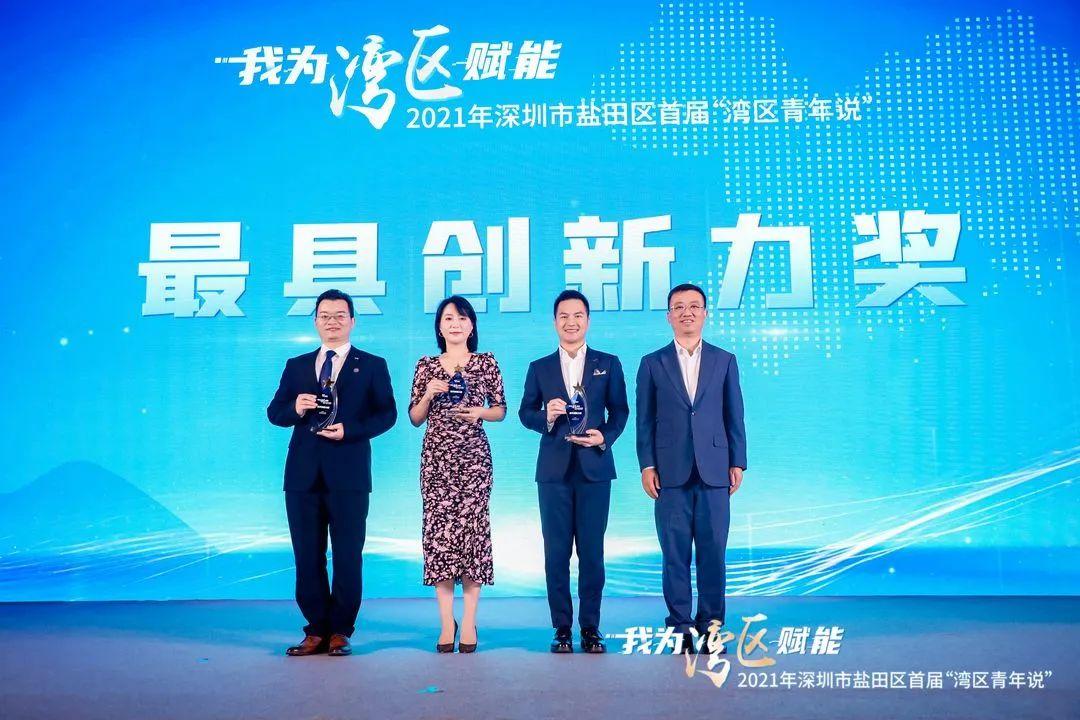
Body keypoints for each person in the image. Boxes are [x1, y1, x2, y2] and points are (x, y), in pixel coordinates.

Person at [266, 289, 397, 657]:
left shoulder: (372, 365)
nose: (332, 321)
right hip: (302, 476)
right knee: (307, 555)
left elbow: (387, 414)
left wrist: (349, 430)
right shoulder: (296, 365)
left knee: (347, 554)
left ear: (352, 321)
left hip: (349, 474)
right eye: (325, 315)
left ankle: (340, 630)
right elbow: (275, 413)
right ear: (315, 321)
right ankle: (315, 629)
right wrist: (295, 406)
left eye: (340, 315)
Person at [635, 283, 747, 654]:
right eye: (679, 307)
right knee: (675, 554)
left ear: (705, 314)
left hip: (715, 470)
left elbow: (734, 414)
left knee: (713, 554)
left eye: (694, 306)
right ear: (669, 316)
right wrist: (647, 464)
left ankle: (712, 628)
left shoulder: (724, 360)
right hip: (670, 473)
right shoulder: (652, 363)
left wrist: (737, 461)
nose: (687, 313)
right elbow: (645, 421)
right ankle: (680, 627)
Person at [518, 290, 629, 653]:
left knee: (592, 552)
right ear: (555, 322)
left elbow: (620, 411)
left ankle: (591, 627)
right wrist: (546, 417)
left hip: (595, 469)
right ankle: (562, 628)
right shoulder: (540, 367)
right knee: (556, 553)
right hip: (553, 472)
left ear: (588, 320)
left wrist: (604, 436)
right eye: (564, 316)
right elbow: (525, 413)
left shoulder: (607, 363)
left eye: (578, 315)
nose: (571, 322)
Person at [408, 295, 506, 653]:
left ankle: (469, 621)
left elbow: (500, 410)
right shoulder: (425, 365)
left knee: (472, 535)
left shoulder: (486, 362)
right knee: (440, 537)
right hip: (437, 461)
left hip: (474, 460)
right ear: (439, 326)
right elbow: (415, 418)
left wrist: (480, 413)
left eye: (462, 318)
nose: (455, 324)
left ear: (472, 325)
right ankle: (446, 622)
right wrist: (427, 395)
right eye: (448, 318)